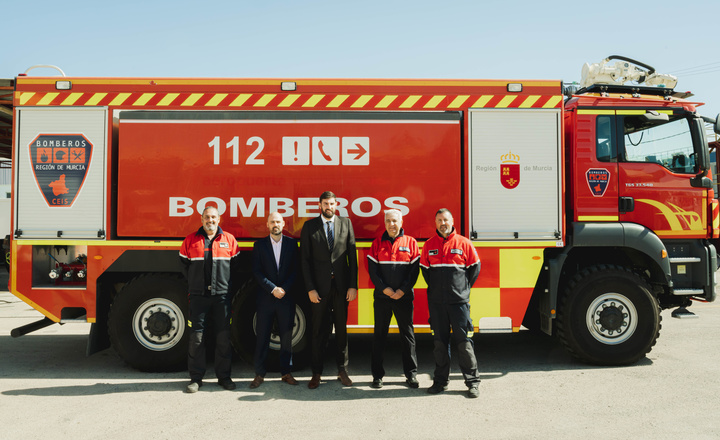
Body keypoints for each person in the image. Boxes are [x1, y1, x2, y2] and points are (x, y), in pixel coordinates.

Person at [419, 208, 482, 398]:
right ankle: (440, 382)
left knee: (464, 343)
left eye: (445, 219)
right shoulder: (429, 245)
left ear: (452, 220)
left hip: (459, 303)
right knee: (440, 343)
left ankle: (472, 382)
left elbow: (474, 268)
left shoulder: (464, 243)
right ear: (435, 223)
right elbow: (425, 271)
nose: (442, 223)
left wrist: (462, 289)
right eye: (439, 220)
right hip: (437, 303)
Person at [301, 191, 358, 389]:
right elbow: (305, 261)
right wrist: (310, 289)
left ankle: (342, 370)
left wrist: (352, 285)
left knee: (341, 330)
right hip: (319, 289)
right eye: (325, 203)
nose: (329, 206)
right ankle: (316, 373)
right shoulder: (310, 226)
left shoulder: (346, 223)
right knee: (318, 331)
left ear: (336, 205)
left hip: (341, 288)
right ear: (320, 205)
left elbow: (352, 257)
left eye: (332, 203)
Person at [179, 205, 239, 393]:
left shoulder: (229, 240)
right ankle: (196, 379)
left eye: (213, 217)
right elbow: (184, 266)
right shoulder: (190, 240)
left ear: (219, 219)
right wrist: (195, 284)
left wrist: (225, 287)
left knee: (223, 338)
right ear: (201, 219)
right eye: (207, 217)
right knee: (197, 338)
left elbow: (235, 267)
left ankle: (224, 377)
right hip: (198, 298)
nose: (210, 220)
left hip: (221, 298)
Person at [367, 209, 420, 389]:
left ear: (401, 222)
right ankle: (377, 376)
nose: (392, 224)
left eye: (395, 221)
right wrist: (386, 290)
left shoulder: (411, 243)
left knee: (408, 336)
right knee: (379, 336)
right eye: (388, 221)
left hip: (404, 298)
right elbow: (373, 272)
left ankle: (411, 375)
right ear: (385, 223)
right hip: (382, 298)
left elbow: (414, 273)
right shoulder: (376, 244)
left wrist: (402, 291)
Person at [249, 212, 300, 388]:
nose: (275, 224)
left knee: (286, 338)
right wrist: (273, 288)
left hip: (286, 298)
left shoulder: (292, 244)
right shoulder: (259, 245)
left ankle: (286, 373)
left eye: (278, 221)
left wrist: (283, 289)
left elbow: (295, 270)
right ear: (267, 225)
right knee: (262, 336)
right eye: (272, 222)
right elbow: (257, 272)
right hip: (266, 299)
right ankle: (259, 374)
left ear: (283, 224)